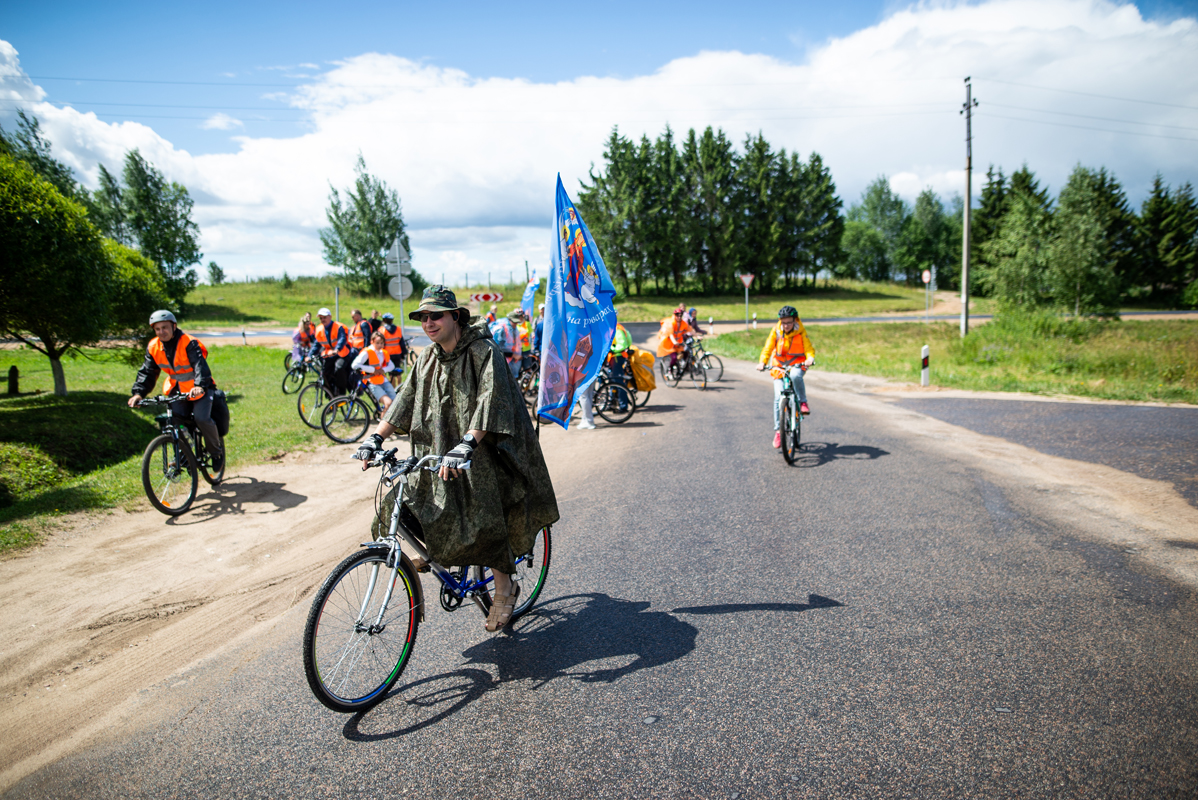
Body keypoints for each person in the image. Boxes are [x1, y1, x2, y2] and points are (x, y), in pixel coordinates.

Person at [354, 286, 560, 633]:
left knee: (486, 517)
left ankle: (504, 589)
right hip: (440, 453)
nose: (429, 323)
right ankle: (441, 549)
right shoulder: (429, 357)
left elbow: (490, 401)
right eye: (424, 317)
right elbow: (404, 399)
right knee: (405, 502)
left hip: (485, 450)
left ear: (456, 317)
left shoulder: (483, 352)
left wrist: (468, 444)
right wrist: (377, 436)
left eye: (437, 316)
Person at [128, 310, 224, 470]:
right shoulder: (153, 346)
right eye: (157, 329)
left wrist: (199, 386)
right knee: (175, 422)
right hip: (176, 389)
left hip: (199, 388)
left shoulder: (188, 342)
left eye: (165, 327)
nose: (161, 332)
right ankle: (184, 455)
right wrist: (138, 393)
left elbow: (200, 366)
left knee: (201, 418)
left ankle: (216, 453)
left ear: (174, 326)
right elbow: (147, 372)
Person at [757, 305, 815, 449]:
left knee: (796, 376)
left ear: (795, 320)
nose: (786, 325)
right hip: (779, 367)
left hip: (796, 365)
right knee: (778, 398)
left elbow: (808, 348)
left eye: (789, 322)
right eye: (783, 322)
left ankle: (802, 402)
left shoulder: (800, 332)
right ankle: (778, 431)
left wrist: (810, 358)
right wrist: (762, 362)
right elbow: (768, 348)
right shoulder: (776, 331)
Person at [351, 331, 396, 411]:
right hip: (371, 381)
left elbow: (392, 366)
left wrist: (383, 370)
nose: (380, 345)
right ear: (372, 342)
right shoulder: (367, 352)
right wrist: (373, 370)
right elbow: (354, 365)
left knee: (396, 402)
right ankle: (383, 423)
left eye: (382, 343)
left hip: (382, 380)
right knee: (388, 403)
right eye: (377, 343)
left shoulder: (383, 352)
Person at [312, 307, 352, 393]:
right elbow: (316, 344)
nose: (322, 319)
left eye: (324, 317)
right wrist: (309, 355)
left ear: (330, 317)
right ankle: (330, 394)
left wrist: (337, 349)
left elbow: (342, 339)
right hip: (329, 354)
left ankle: (341, 392)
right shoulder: (319, 329)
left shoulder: (338, 327)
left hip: (342, 353)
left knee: (339, 368)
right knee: (325, 373)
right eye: (321, 318)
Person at [656, 304, 694, 374]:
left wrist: (698, 336)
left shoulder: (683, 323)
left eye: (680, 315)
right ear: (674, 315)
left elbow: (690, 329)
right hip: (669, 344)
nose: (679, 317)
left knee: (686, 352)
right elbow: (670, 334)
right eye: (677, 315)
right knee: (674, 357)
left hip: (677, 343)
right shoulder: (671, 323)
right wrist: (674, 342)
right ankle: (670, 371)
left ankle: (685, 368)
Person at [489, 309, 523, 381]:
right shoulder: (501, 329)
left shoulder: (514, 329)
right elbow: (497, 349)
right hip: (501, 362)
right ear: (509, 320)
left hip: (511, 362)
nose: (516, 324)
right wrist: (513, 355)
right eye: (514, 322)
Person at [379, 312, 407, 384]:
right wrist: (404, 353)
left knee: (391, 373)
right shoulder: (398, 329)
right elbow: (402, 342)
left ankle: (393, 388)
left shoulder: (382, 330)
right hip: (397, 353)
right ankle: (399, 387)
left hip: (387, 354)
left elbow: (381, 343)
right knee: (398, 371)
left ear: (384, 320)